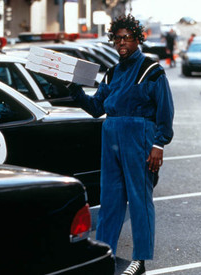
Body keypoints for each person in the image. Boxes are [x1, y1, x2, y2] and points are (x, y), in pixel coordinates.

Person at [68, 14, 174, 275]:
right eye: (117, 38)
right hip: (111, 135)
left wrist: (159, 144)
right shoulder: (112, 72)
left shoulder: (151, 69)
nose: (121, 42)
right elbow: (96, 108)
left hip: (139, 135)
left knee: (140, 199)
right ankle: (105, 253)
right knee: (110, 199)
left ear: (138, 38)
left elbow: (165, 110)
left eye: (126, 37)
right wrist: (75, 90)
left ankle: (140, 260)